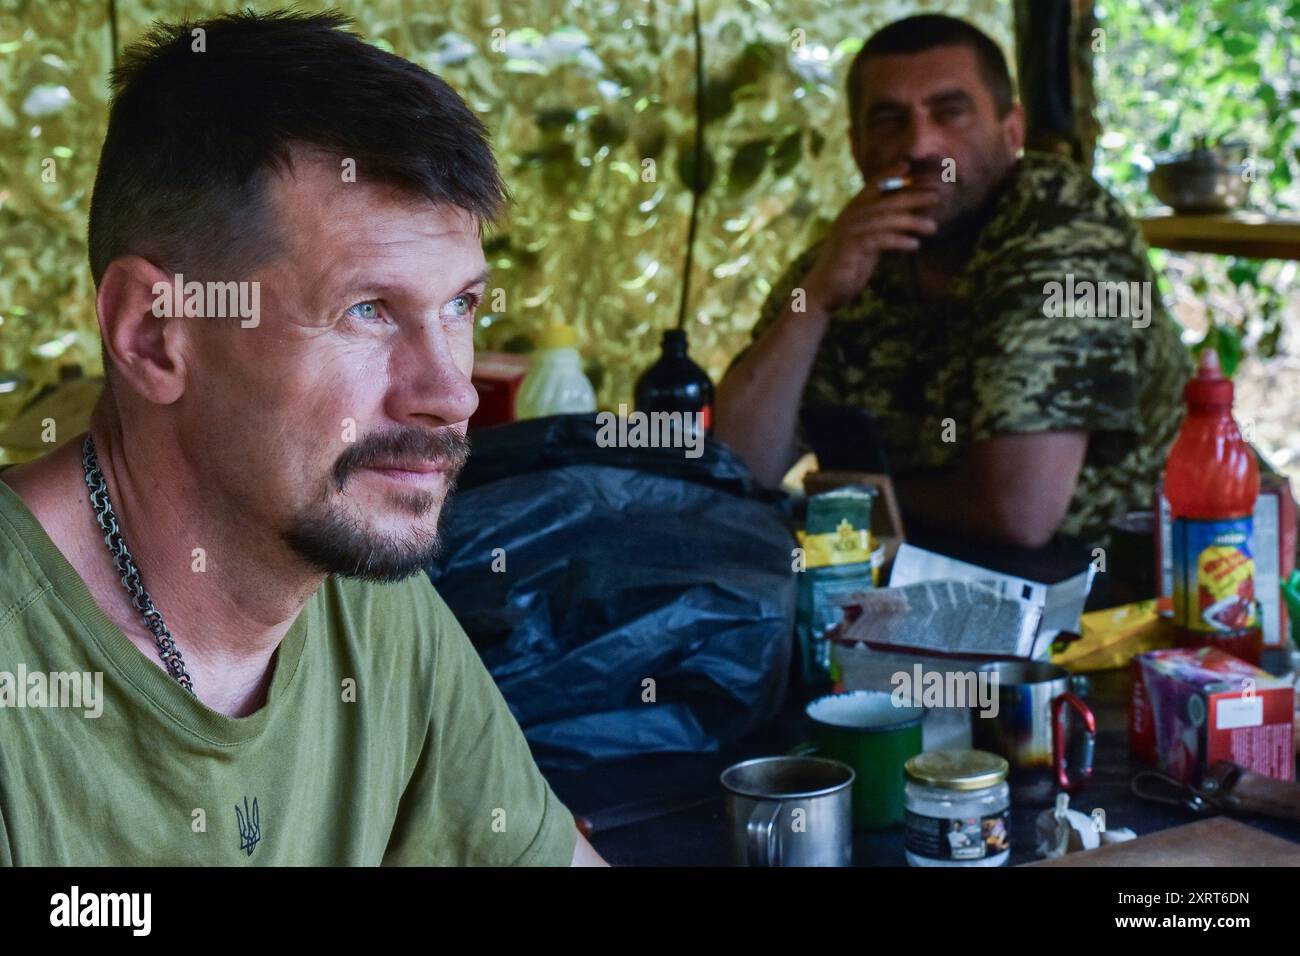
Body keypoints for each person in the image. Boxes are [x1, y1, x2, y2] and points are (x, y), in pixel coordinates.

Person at [0, 10, 604, 866]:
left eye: (460, 306)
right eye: (367, 310)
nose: (452, 393)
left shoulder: (364, 591)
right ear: (151, 334)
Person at [715, 14, 1191, 550]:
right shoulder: (854, 251)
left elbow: (1018, 513)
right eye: (890, 121)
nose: (920, 146)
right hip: (938, 589)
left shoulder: (1060, 228)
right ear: (856, 146)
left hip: (1153, 586)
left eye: (950, 113)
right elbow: (733, 469)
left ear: (1012, 131)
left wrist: (840, 497)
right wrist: (817, 300)